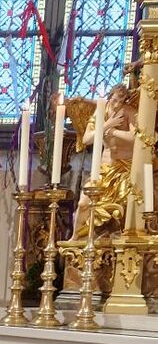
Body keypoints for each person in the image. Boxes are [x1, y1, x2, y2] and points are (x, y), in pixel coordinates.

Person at [69, 83, 137, 239]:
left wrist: (114, 132)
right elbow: (86, 139)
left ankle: (115, 234)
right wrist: (107, 125)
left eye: (121, 101)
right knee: (83, 203)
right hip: (103, 168)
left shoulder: (129, 112)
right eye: (114, 100)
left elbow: (136, 137)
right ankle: (75, 238)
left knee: (122, 206)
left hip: (124, 169)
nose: (117, 104)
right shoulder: (101, 112)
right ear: (109, 97)